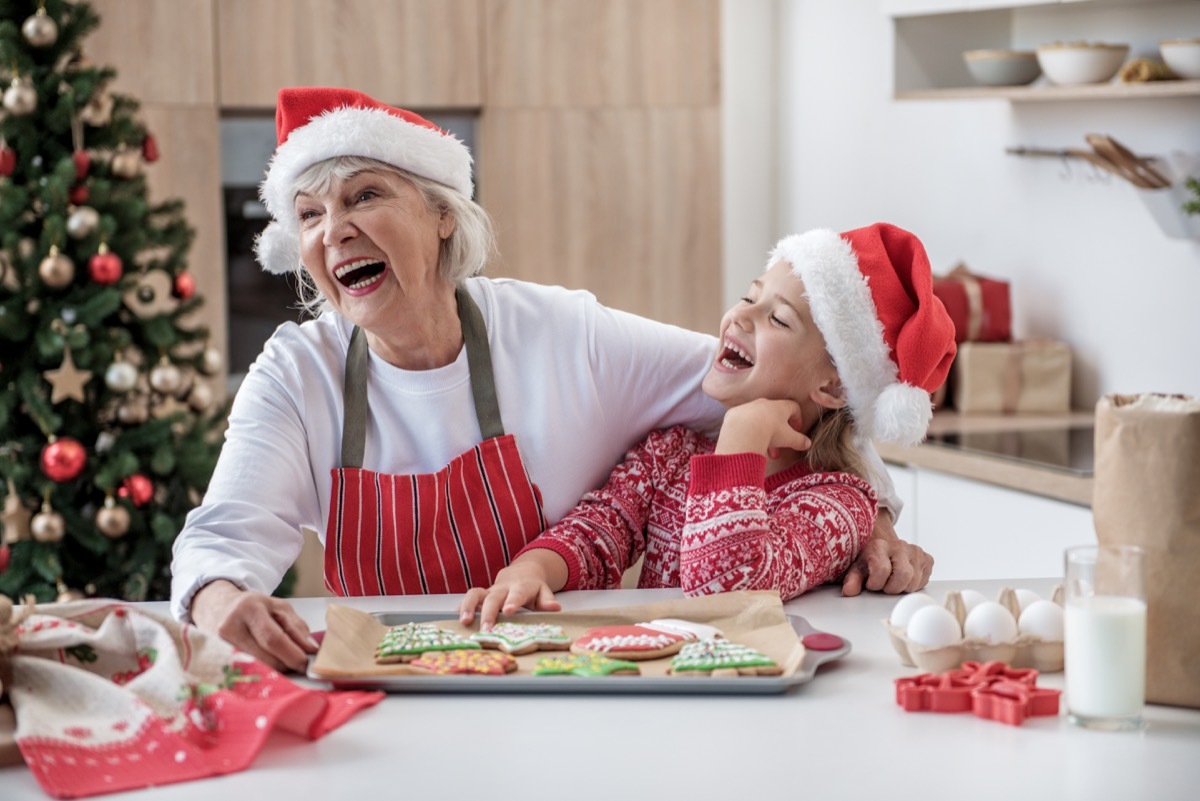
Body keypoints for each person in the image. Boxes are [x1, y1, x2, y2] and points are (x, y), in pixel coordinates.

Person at [170, 87, 929, 673]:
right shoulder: (295, 373)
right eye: (308, 214)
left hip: (556, 679)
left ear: (441, 215)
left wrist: (876, 518)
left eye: (364, 196)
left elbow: (780, 394)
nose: (331, 230)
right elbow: (222, 537)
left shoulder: (568, 337)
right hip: (383, 682)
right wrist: (219, 598)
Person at [459, 223, 956, 628]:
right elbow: (599, 531)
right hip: (658, 683)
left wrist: (740, 441)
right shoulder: (671, 452)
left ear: (831, 388)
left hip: (746, 702)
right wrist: (530, 569)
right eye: (749, 296)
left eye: (778, 319)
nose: (742, 315)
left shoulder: (836, 503)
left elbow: (725, 590)